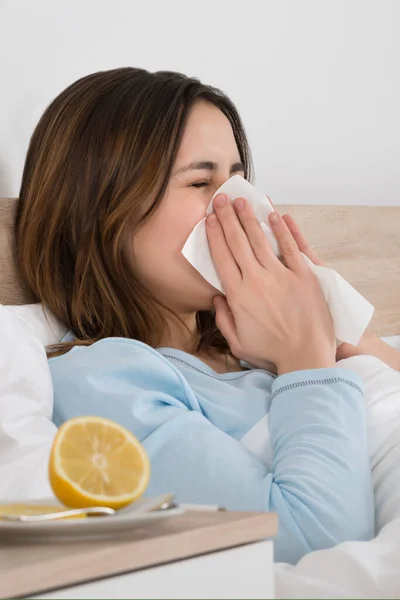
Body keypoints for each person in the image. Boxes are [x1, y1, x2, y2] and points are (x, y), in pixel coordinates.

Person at [15, 67, 397, 564]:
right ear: (99, 210)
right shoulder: (105, 381)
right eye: (201, 181)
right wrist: (307, 358)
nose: (243, 207)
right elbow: (317, 543)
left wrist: (340, 329)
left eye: (239, 180)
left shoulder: (257, 346)